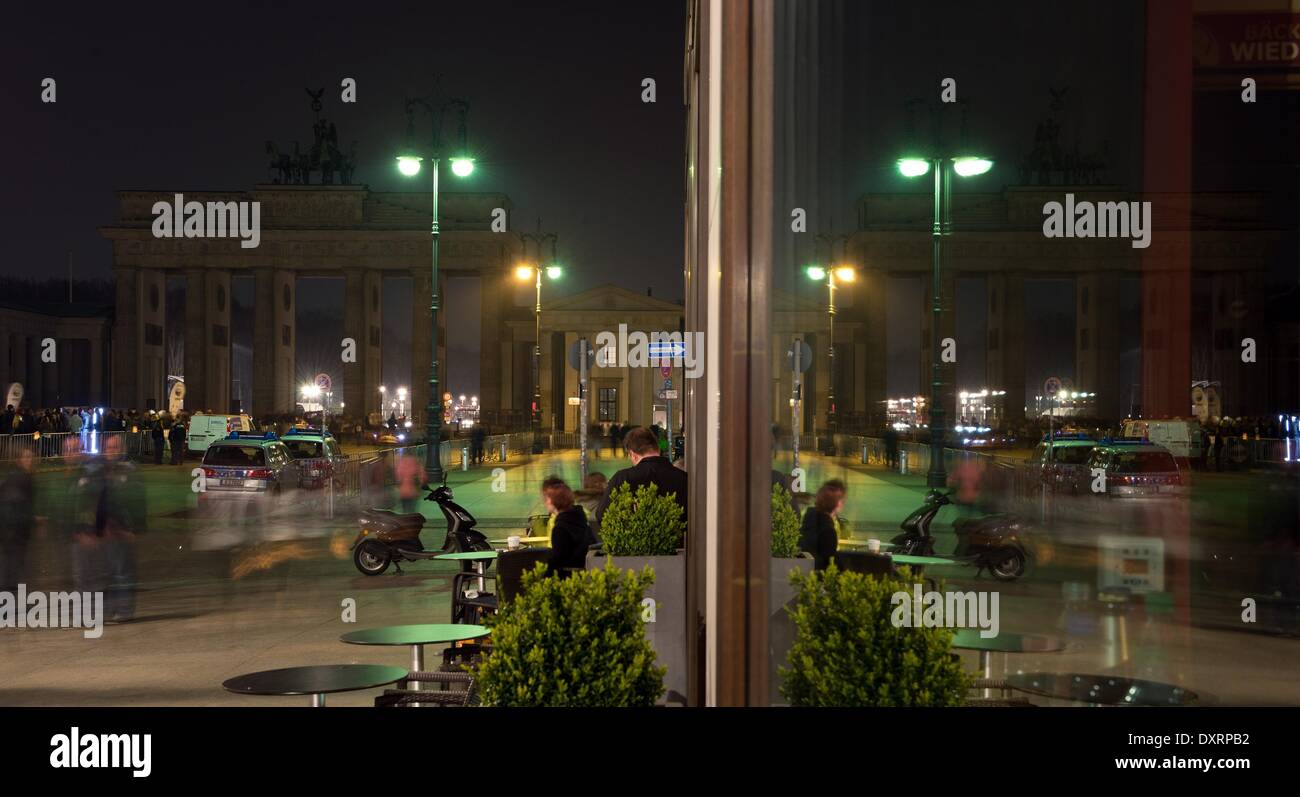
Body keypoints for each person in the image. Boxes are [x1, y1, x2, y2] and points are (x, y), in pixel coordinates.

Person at [594, 426, 688, 526]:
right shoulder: (682, 477)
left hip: (633, 539)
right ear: (658, 449)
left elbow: (602, 515)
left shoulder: (623, 478)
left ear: (632, 454)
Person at [541, 476, 596, 577]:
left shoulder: (560, 528)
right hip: (585, 574)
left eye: (547, 498)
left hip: (568, 579)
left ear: (554, 501)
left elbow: (557, 560)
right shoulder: (579, 518)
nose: (545, 502)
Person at [0, 447, 37, 594]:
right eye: (26, 457)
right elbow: (17, 504)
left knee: (12, 566)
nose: (30, 461)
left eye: (31, 457)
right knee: (14, 567)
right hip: (15, 532)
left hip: (14, 531)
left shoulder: (19, 476)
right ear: (19, 460)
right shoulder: (20, 478)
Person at [800, 479, 846, 570]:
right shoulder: (827, 530)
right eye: (842, 500)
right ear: (838, 503)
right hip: (814, 578)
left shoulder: (809, 517)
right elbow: (830, 563)